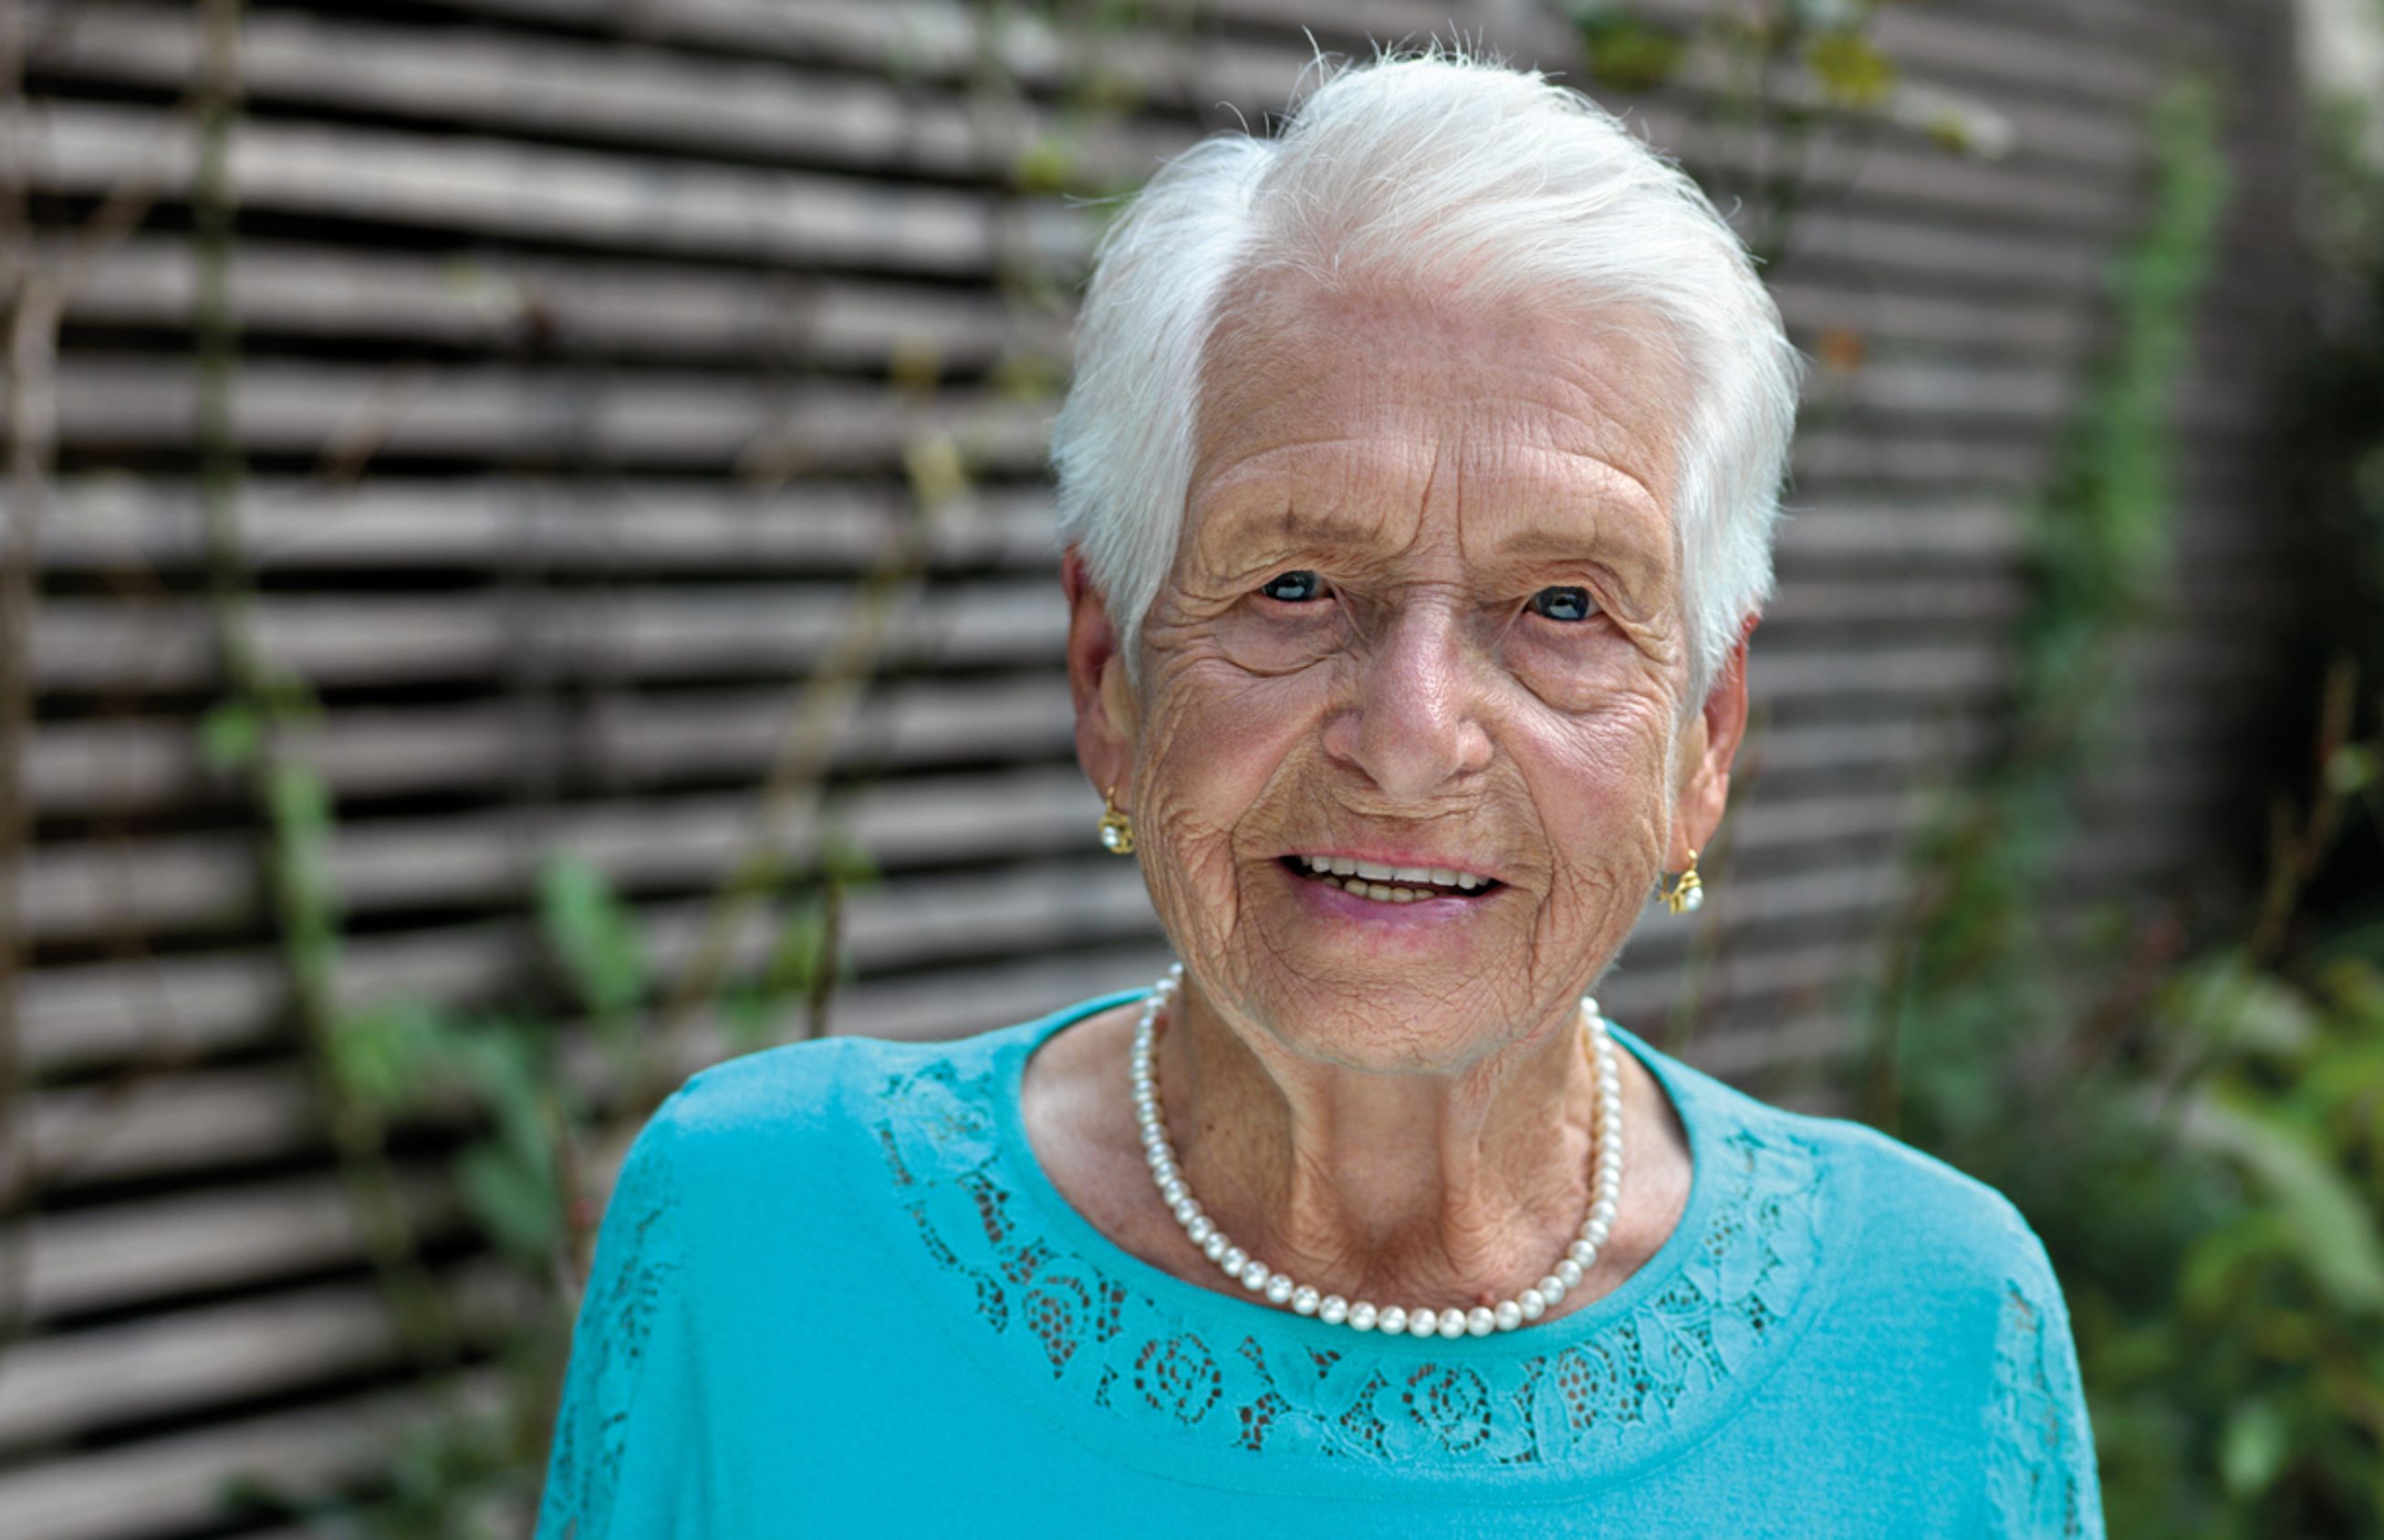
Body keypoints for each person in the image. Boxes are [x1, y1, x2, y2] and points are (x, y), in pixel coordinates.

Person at [536, 49, 2101, 1538]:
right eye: (1294, 584)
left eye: (1562, 606)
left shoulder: (1936, 1334)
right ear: (1110, 676)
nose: (1411, 737)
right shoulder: (767, 1249)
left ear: (1705, 736)